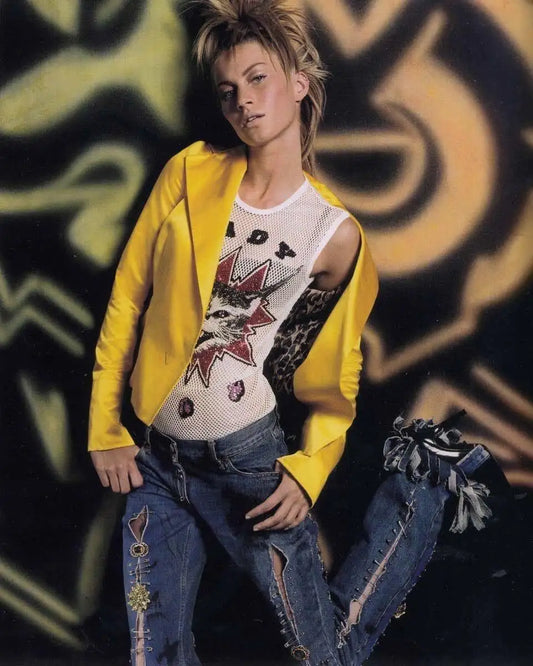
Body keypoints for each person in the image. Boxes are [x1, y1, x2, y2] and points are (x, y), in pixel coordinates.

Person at [88, 1, 493, 664]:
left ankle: (419, 491)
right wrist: (105, 427)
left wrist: (310, 470)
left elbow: (335, 371)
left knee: (317, 656)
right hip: (155, 461)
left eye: (258, 79)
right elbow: (129, 298)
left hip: (244, 462)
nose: (243, 101)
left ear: (299, 83)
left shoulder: (334, 235)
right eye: (227, 90)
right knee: (149, 654)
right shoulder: (189, 171)